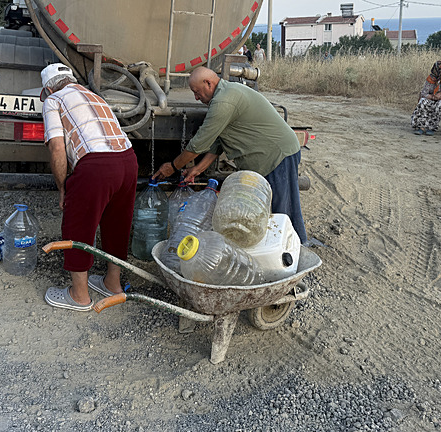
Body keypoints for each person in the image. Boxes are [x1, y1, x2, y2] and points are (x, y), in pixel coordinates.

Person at [152, 66, 307, 243]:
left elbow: (199, 144)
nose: (196, 97)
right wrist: (198, 169)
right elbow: (218, 142)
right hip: (267, 157)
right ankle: (274, 247)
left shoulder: (224, 101)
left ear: (208, 83)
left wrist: (173, 166)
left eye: (197, 92)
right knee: (265, 209)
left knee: (284, 212)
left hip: (277, 155)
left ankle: (297, 248)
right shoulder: (225, 94)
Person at [40, 63, 138, 311]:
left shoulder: (53, 100)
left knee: (78, 225)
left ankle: (79, 296)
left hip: (96, 164)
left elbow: (57, 148)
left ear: (48, 89)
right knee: (117, 223)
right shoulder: (93, 94)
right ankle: (112, 283)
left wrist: (63, 189)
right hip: (128, 160)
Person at [410, 60, 441, 136]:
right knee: (423, 102)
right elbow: (424, 92)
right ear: (437, 71)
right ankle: (421, 127)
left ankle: (431, 128)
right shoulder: (431, 78)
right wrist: (432, 97)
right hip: (432, 97)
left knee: (439, 105)